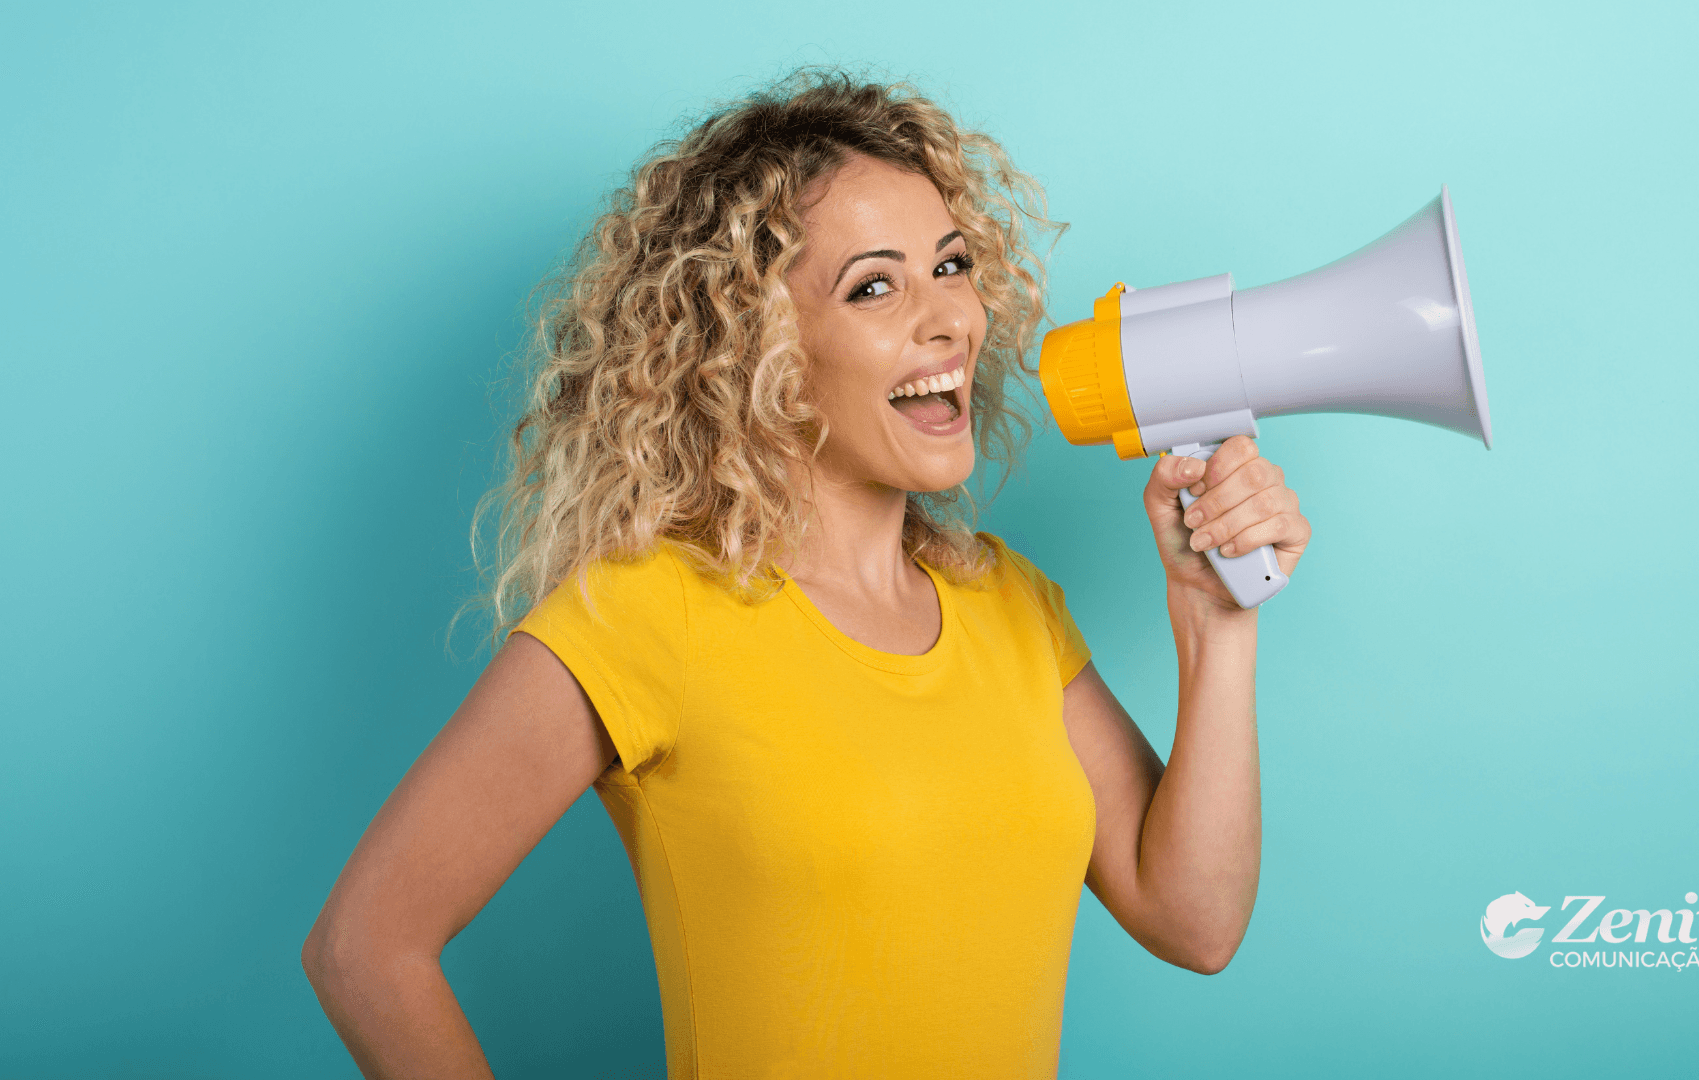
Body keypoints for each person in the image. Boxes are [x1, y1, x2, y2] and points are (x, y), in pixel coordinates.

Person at [302, 70, 1310, 1079]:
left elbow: (1194, 920)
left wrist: (1215, 623)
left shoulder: (1013, 608)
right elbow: (365, 950)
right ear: (754, 351)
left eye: (951, 266)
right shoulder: (647, 616)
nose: (950, 319)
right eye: (874, 285)